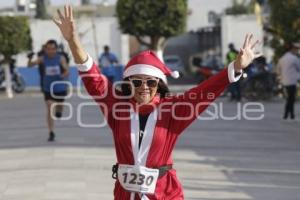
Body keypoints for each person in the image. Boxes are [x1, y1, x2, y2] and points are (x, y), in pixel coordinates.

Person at [54, 5, 261, 200]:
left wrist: (234, 68)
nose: (144, 87)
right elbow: (92, 76)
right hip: (126, 194)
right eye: (137, 82)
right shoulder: (117, 107)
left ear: (159, 84)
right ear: (129, 84)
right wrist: (73, 40)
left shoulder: (173, 110)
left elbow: (203, 92)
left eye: (151, 82)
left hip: (164, 193)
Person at [28, 39, 69, 141]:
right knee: (50, 108)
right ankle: (51, 132)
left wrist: (62, 75)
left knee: (59, 108)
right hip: (48, 88)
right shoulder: (42, 58)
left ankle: (59, 112)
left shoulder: (60, 58)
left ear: (56, 49)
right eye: (48, 49)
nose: (51, 51)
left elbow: (67, 71)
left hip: (60, 88)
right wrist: (29, 58)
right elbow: (30, 65)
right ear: (45, 49)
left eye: (53, 49)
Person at [277, 42, 300, 120]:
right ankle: (289, 114)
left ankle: (288, 114)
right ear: (292, 49)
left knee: (289, 98)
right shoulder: (294, 58)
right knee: (291, 98)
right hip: (292, 81)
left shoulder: (282, 59)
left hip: (284, 81)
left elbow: (278, 70)